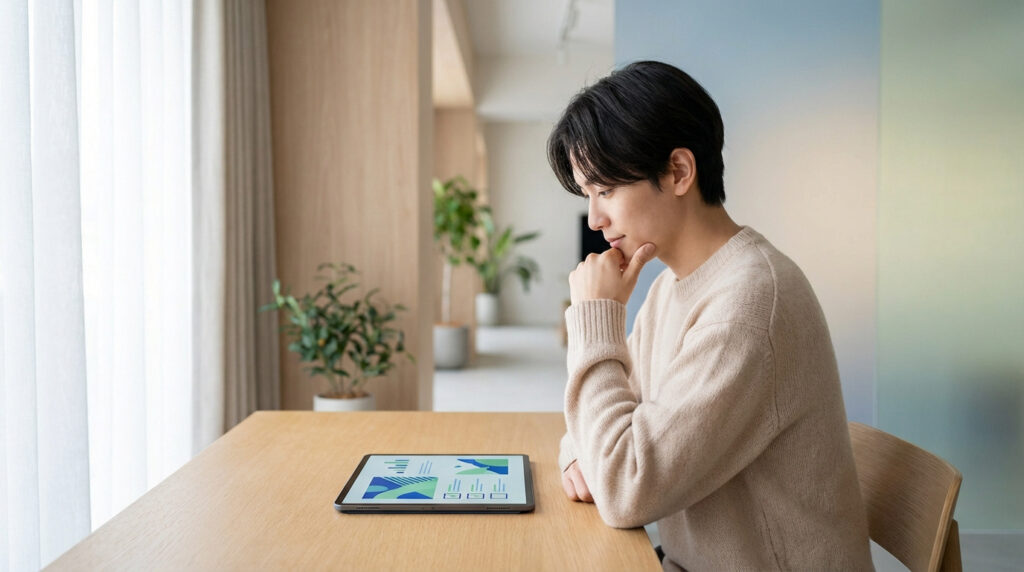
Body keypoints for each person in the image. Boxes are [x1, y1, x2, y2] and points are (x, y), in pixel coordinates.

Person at [546, 61, 874, 571]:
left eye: (606, 190)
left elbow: (624, 485)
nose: (595, 219)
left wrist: (596, 315)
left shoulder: (748, 305)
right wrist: (577, 450)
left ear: (678, 171)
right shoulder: (670, 289)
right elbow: (606, 423)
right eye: (588, 195)